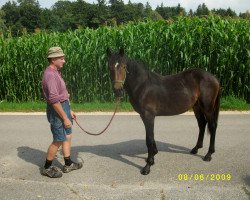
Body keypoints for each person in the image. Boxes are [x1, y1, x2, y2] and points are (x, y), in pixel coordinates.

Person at [41, 46, 82, 178]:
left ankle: (68, 163)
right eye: (61, 58)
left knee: (68, 135)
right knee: (58, 139)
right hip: (56, 110)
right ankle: (47, 167)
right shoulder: (50, 75)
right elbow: (53, 100)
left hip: (63, 107)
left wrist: (69, 110)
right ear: (53, 59)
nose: (64, 61)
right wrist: (64, 117)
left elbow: (62, 95)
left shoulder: (56, 72)